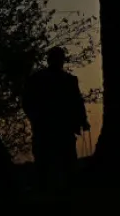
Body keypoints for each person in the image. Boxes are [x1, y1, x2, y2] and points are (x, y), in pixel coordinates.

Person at [22, 47, 89, 182]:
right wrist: (83, 121)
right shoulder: (68, 80)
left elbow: (27, 102)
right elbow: (77, 103)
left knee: (50, 163)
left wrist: (82, 120)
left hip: (50, 128)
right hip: (57, 128)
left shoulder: (37, 79)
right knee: (62, 163)